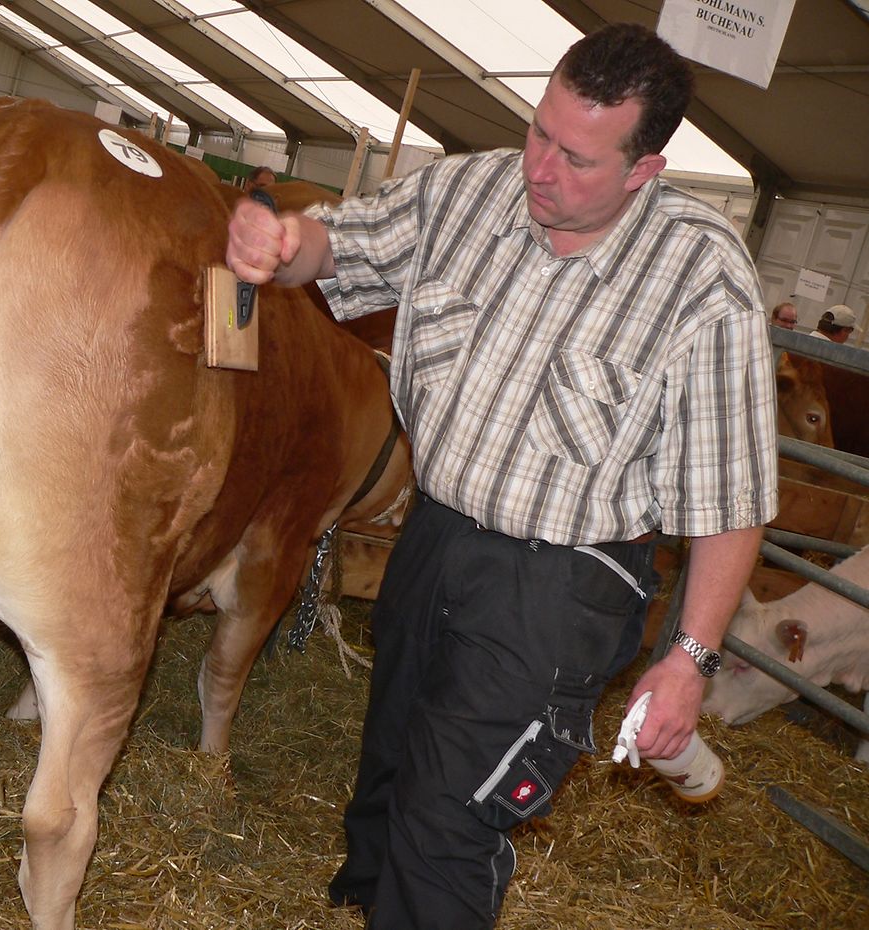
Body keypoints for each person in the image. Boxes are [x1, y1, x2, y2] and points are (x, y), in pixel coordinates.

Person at [226, 22, 777, 930]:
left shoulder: (703, 278)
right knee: (394, 750)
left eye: (578, 158)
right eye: (538, 132)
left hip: (560, 585)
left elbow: (732, 499)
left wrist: (690, 662)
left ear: (644, 170)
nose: (540, 169)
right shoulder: (465, 192)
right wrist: (282, 240)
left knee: (452, 815)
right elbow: (337, 247)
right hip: (437, 534)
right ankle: (367, 900)